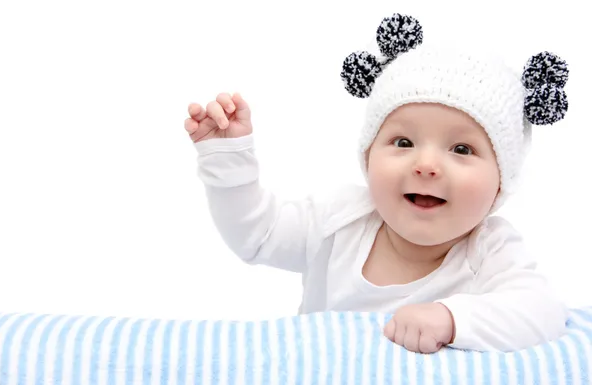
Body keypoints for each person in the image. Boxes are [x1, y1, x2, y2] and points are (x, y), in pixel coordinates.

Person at [183, 13, 570, 354]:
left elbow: (542, 312)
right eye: (403, 142)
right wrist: (228, 162)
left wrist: (452, 319)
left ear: (501, 184)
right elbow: (259, 235)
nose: (427, 164)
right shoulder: (339, 220)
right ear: (368, 158)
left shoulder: (489, 250)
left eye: (462, 149)